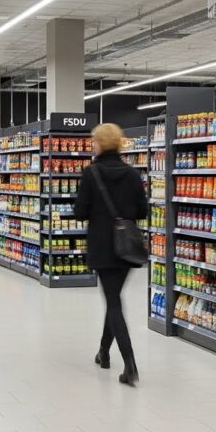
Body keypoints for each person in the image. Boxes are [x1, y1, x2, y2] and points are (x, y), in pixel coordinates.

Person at [74, 123, 148, 386]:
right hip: (127, 247)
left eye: (94, 141)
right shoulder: (132, 174)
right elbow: (142, 211)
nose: (92, 145)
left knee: (113, 302)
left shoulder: (91, 173)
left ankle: (130, 365)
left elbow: (80, 212)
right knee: (113, 298)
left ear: (100, 143)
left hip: (103, 246)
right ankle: (103, 352)